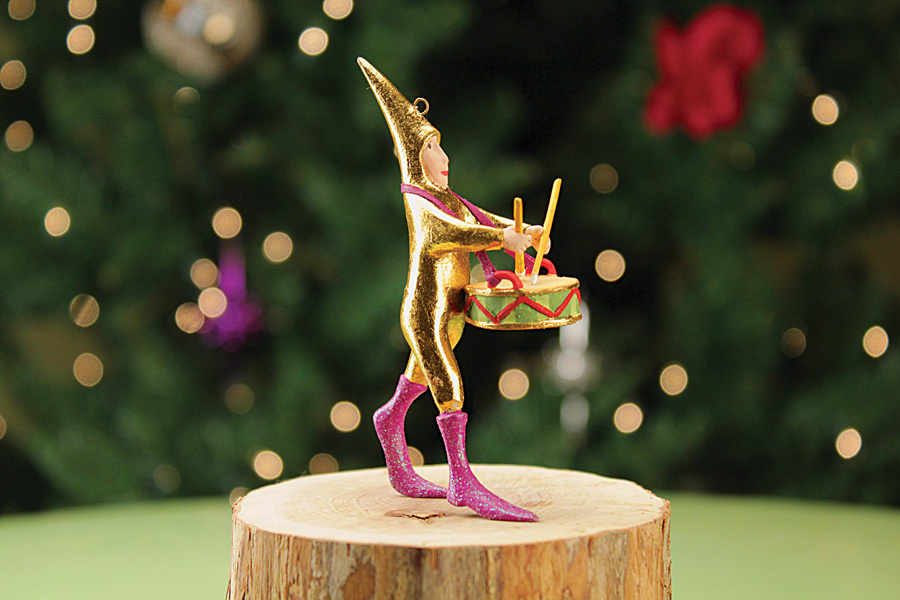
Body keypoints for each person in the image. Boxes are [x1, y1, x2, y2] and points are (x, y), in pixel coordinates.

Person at [359, 58, 548, 521]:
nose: (445, 160)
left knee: (417, 381)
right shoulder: (422, 206)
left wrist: (524, 230)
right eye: (433, 149)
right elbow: (452, 233)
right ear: (414, 155)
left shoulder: (448, 199)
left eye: (442, 149)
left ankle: (390, 417)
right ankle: (461, 482)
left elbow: (478, 217)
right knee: (450, 387)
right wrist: (503, 239)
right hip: (425, 315)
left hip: (455, 309)